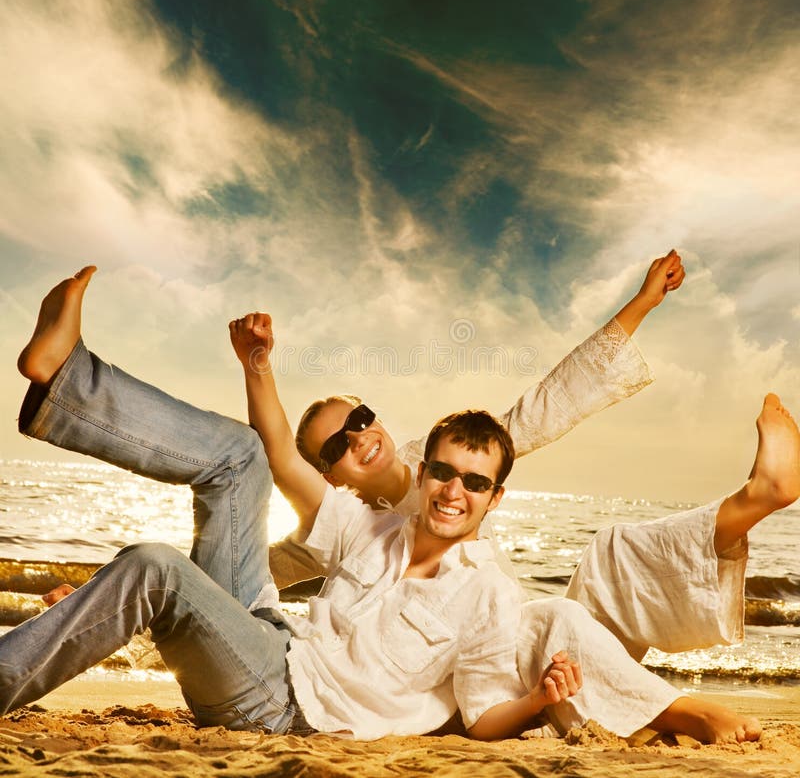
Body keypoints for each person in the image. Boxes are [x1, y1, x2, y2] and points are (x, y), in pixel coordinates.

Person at [9, 266, 776, 742]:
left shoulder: (475, 567)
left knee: (563, 606)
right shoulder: (347, 527)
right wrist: (258, 369)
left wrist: (639, 304)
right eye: (337, 444)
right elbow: (268, 459)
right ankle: (67, 381)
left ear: (490, 494)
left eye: (362, 418)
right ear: (330, 477)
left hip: (286, 695)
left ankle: (689, 664)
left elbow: (546, 403)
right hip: (271, 639)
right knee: (229, 468)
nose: (360, 438)